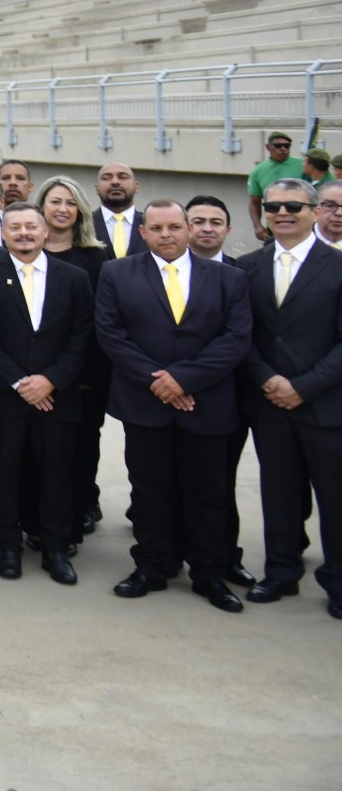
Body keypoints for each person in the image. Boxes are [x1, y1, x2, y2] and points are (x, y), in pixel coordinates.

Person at [97, 199, 253, 612]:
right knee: (149, 491)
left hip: (207, 403)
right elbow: (112, 334)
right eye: (157, 228)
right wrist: (159, 381)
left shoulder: (228, 278)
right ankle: (152, 566)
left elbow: (236, 338)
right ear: (143, 232)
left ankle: (209, 573)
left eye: (174, 227)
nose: (166, 235)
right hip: (145, 404)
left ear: (186, 229)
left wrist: (184, 379)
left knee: (208, 494)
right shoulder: (116, 273)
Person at [0, 201, 97, 584]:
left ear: (44, 232)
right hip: (3, 397)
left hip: (57, 397)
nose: (23, 234)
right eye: (15, 228)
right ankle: (8, 546)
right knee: (2, 473)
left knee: (56, 474)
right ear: (3, 233)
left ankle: (56, 549)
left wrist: (50, 380)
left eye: (31, 227)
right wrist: (19, 382)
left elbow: (82, 335)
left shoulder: (74, 277)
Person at [235, 180, 342, 617]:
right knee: (278, 491)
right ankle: (280, 572)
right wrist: (267, 380)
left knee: (334, 499)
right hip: (269, 403)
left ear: (315, 211)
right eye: (274, 205)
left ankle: (337, 581)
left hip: (326, 403)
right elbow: (240, 335)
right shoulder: (246, 267)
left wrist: (303, 385)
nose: (282, 212)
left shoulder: (336, 267)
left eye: (293, 206)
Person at [37, 175, 113, 540]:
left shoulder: (97, 257)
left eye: (70, 203)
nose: (62, 209)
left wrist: (75, 373)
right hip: (33, 377)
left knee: (82, 447)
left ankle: (81, 505)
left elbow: (100, 321)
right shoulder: (22, 251)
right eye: (55, 201)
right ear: (41, 207)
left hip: (82, 376)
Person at [248, 132, 303, 243]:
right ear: (268, 147)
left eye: (287, 146)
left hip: (301, 224)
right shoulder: (258, 170)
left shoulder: (303, 165)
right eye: (278, 146)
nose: (283, 149)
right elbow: (254, 202)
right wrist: (257, 226)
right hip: (274, 225)